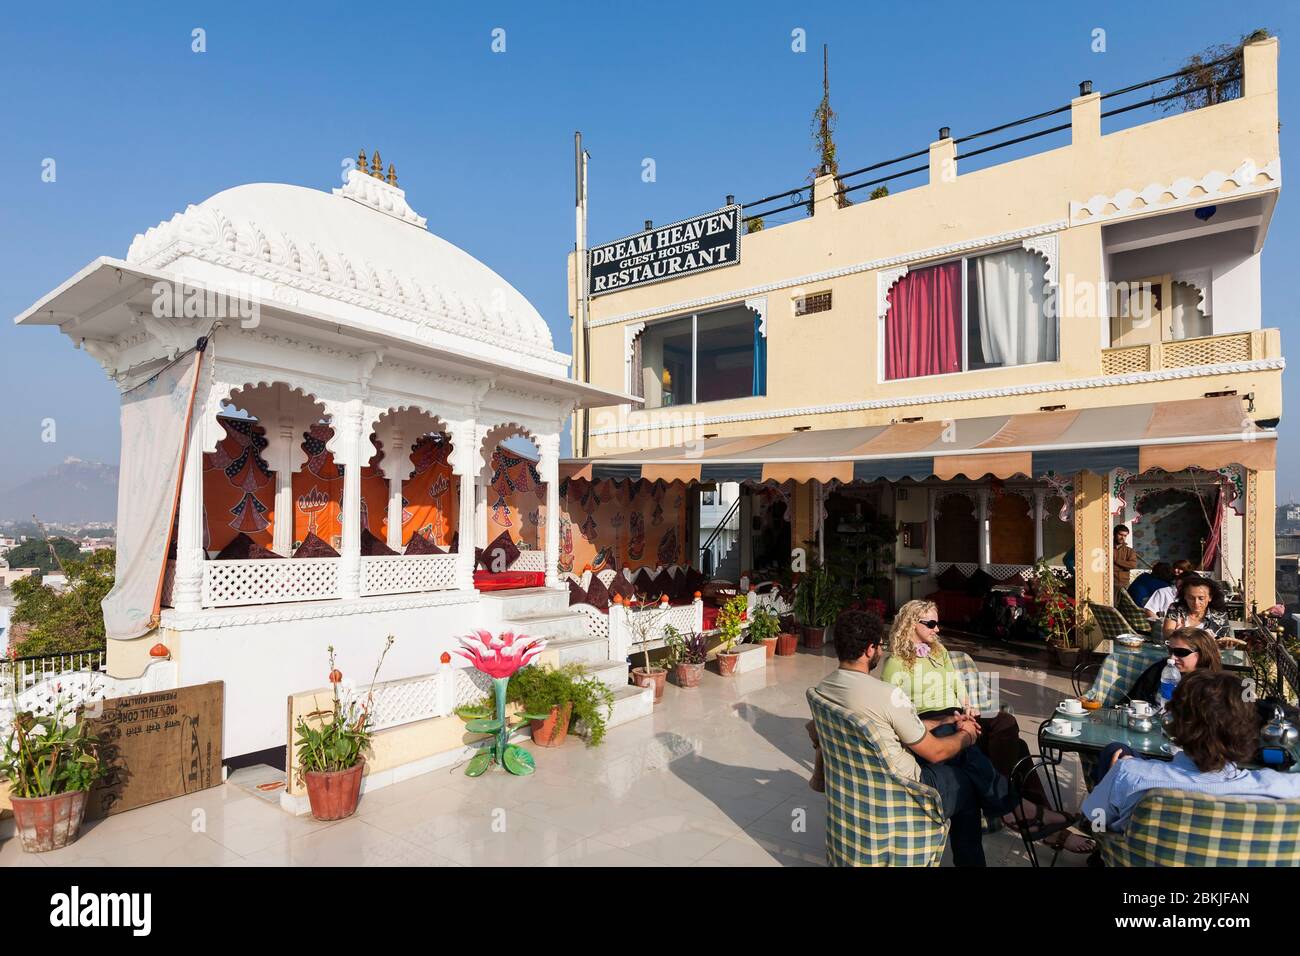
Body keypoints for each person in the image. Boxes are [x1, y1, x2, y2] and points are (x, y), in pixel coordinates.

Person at [810, 609, 1094, 865]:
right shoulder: (886, 694)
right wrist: (967, 735)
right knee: (967, 783)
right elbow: (934, 752)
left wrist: (947, 719)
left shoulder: (823, 688)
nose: (881, 651)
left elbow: (894, 726)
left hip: (873, 779)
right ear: (870, 648)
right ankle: (1012, 812)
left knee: (997, 745)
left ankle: (1015, 809)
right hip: (909, 786)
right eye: (879, 646)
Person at [1083, 670, 1300, 833]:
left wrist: (1117, 781)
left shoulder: (1129, 775)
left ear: (1171, 723)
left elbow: (1097, 824)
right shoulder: (1286, 789)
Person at [1125, 626, 1221, 705]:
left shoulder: (1213, 687)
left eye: (1180, 652)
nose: (1172, 658)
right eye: (1171, 651)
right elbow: (1133, 700)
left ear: (1202, 653)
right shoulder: (1160, 669)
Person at [1162, 574, 1230, 640]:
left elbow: (1223, 640)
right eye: (1191, 598)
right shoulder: (1175, 608)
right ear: (1185, 596)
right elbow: (1168, 632)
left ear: (1210, 597)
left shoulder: (1220, 616)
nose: (1196, 602)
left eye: (1201, 598)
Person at [1112, 525, 1139, 592]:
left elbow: (1133, 565)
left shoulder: (1129, 551)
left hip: (1123, 584)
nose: (1123, 538)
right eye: (1120, 535)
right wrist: (1124, 566)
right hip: (1109, 582)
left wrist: (1116, 561)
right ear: (1114, 534)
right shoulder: (1107, 548)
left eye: (1125, 536)